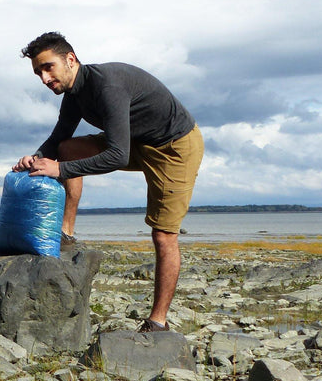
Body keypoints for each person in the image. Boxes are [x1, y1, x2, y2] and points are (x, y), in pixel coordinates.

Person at [13, 31, 203, 333]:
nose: (44, 78)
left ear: (71, 59)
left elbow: (116, 155)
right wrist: (35, 159)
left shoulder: (107, 86)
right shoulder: (74, 94)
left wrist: (58, 170)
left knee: (163, 235)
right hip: (133, 142)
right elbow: (59, 137)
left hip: (174, 146)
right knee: (66, 149)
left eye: (48, 67)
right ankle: (67, 232)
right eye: (38, 72)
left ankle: (158, 321)